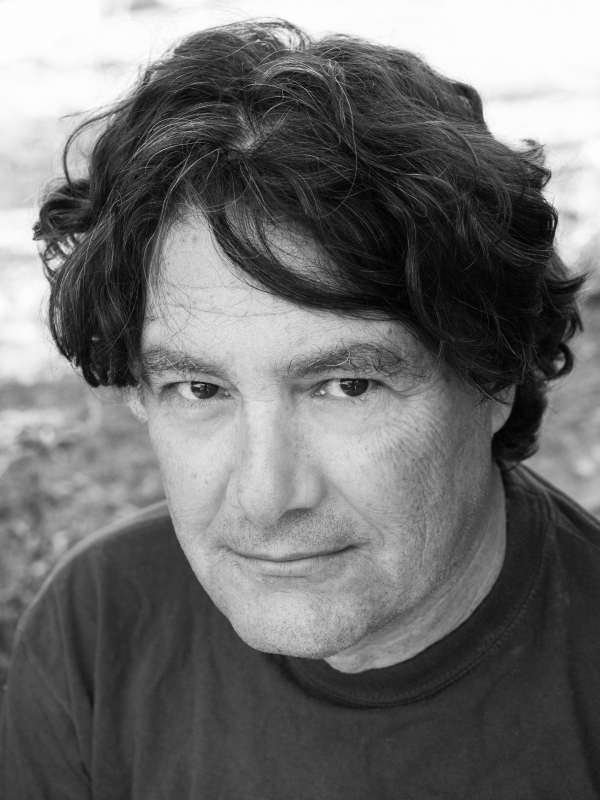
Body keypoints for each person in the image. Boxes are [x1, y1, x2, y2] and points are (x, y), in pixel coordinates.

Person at [1, 18, 598, 798]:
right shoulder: (100, 626)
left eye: (347, 386)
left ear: (495, 376)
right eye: (201, 390)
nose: (267, 496)